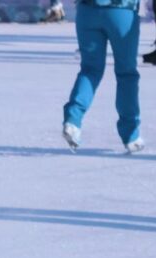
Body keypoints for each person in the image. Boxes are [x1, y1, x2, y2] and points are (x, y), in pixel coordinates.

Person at [61, 0, 143, 153]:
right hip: (121, 11)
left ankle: (73, 119)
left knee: (90, 69)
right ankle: (131, 134)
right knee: (127, 73)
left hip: (88, 11)